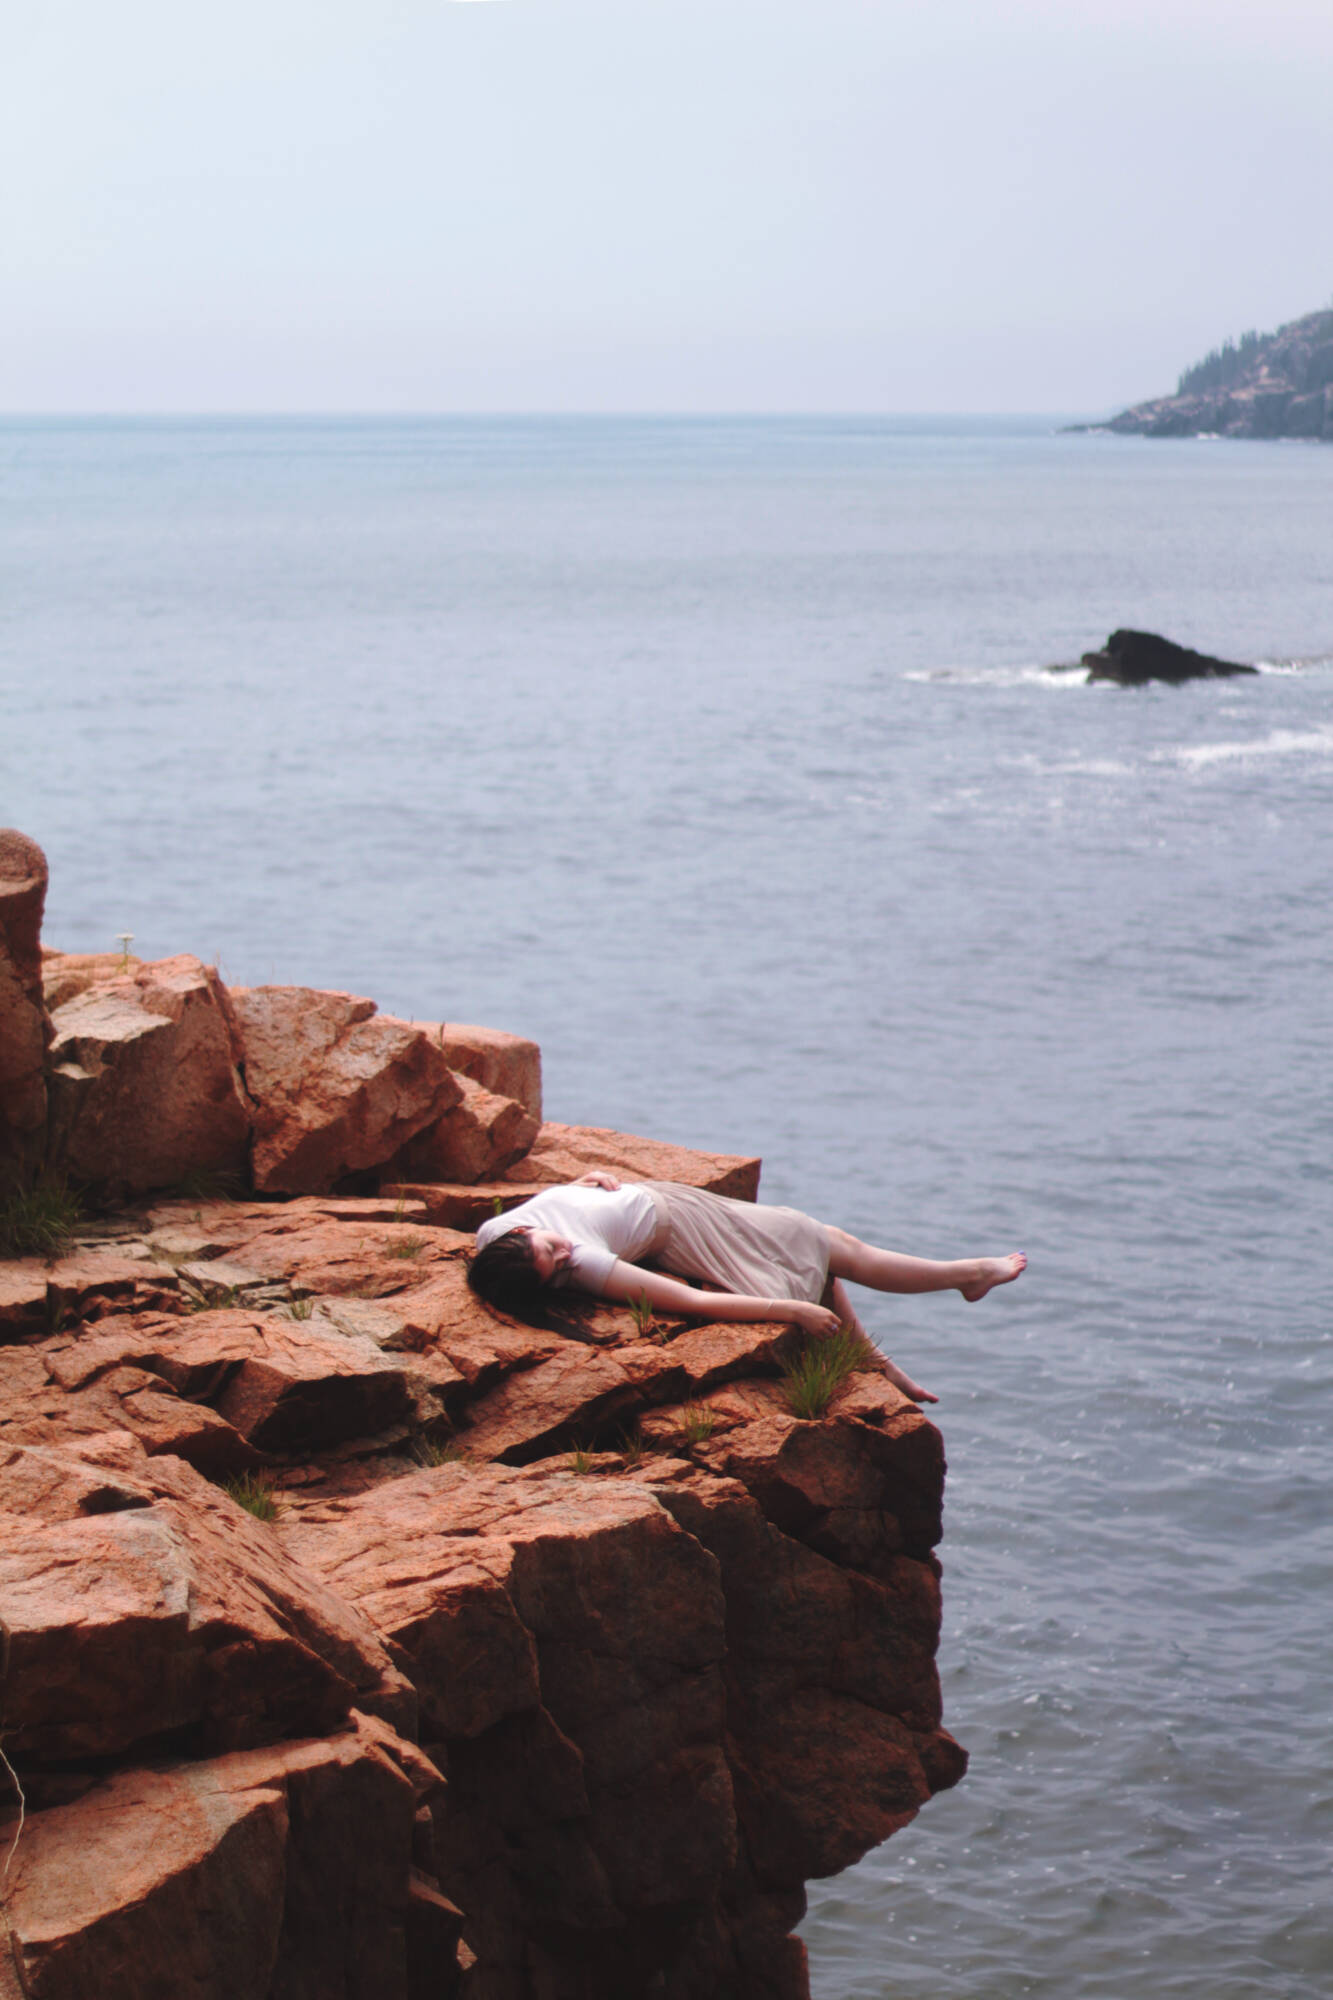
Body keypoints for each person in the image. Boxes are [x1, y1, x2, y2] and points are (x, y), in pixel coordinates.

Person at [467, 1173, 1026, 1404]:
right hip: (688, 1232)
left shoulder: (492, 1234)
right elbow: (693, 1301)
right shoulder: (586, 1263)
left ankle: (883, 1358)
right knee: (823, 1246)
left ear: (516, 1235)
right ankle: (965, 1278)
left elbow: (550, 1211)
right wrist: (791, 1311)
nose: (564, 1253)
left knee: (822, 1244)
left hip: (671, 1197)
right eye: (556, 1269)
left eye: (550, 1248)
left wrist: (578, 1185)